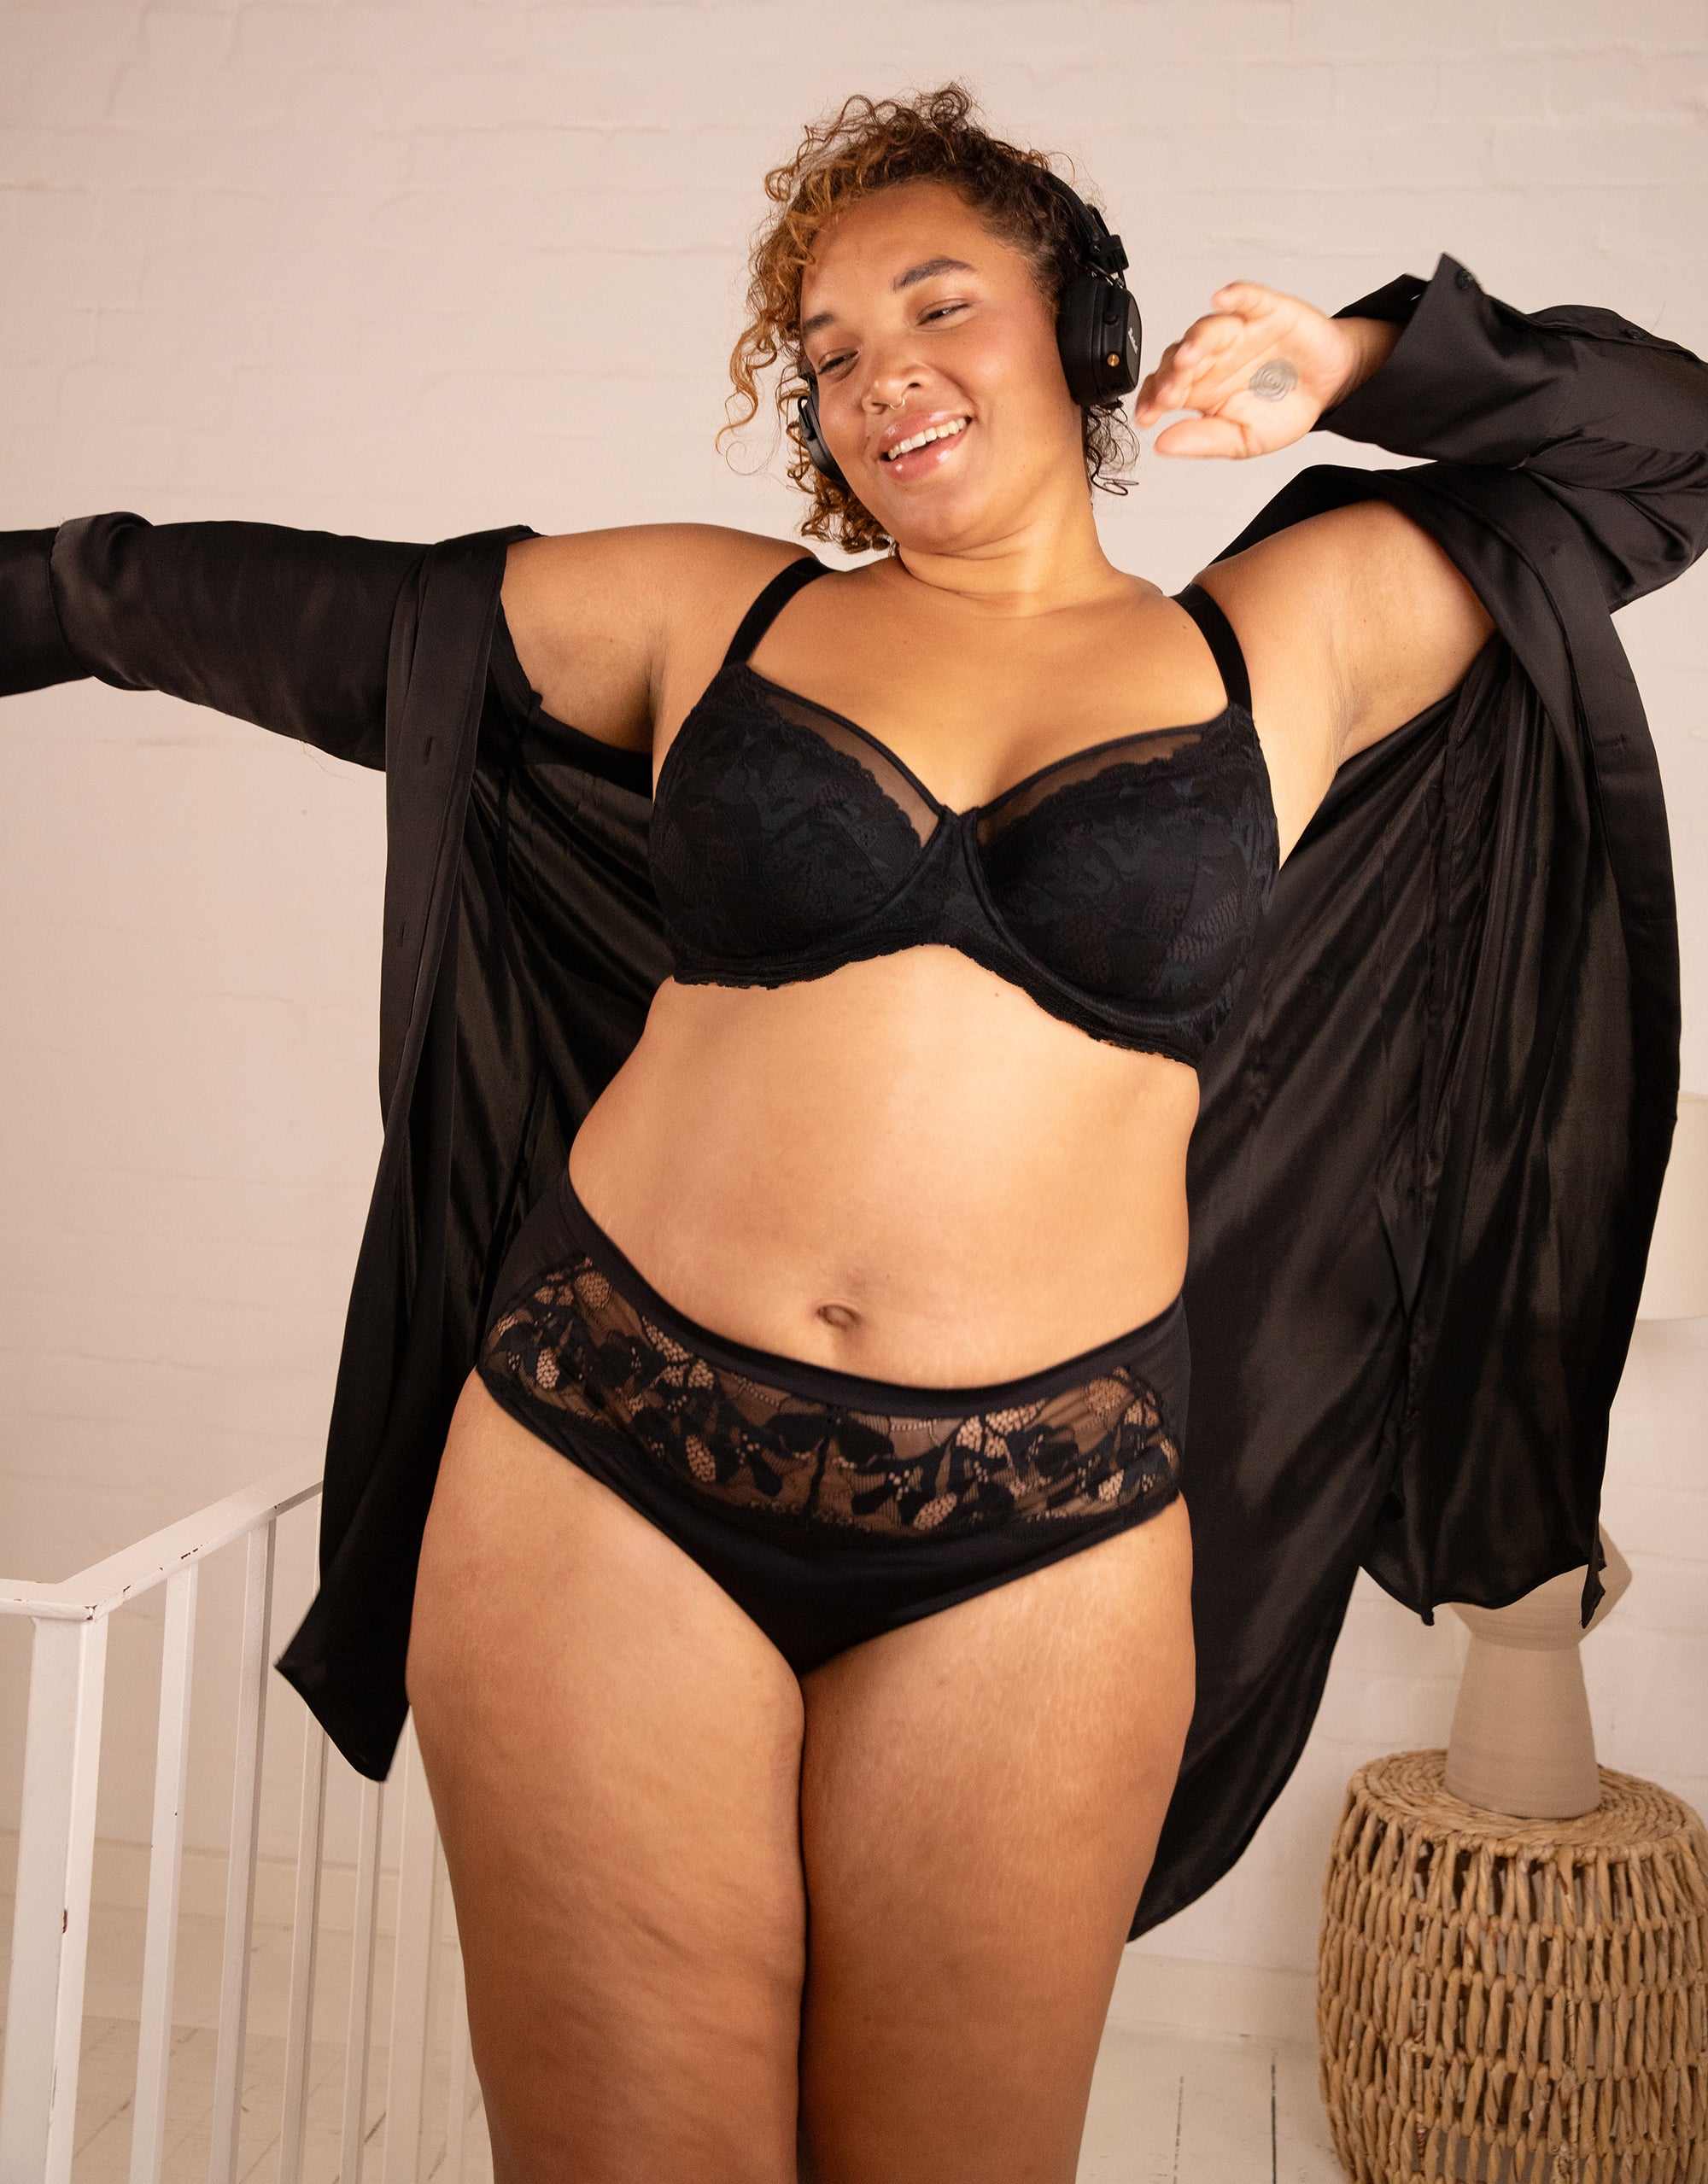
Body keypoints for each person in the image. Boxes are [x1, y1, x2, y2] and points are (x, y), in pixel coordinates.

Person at [5, 81, 1704, 2184]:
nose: (879, 369)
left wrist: (1359, 361)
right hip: (603, 1466)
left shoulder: (1294, 632)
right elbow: (144, 599)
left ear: (1086, 329)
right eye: (827, 350)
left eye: (937, 304)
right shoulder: (714, 613)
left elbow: (1672, 448)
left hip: (1046, 1530)